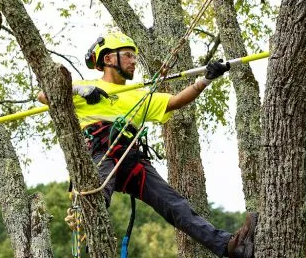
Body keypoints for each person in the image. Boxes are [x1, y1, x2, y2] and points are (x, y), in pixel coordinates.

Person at [38, 32, 257, 258]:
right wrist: (77, 89)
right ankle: (91, 239)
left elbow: (174, 101)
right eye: (128, 55)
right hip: (100, 152)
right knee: (96, 199)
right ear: (108, 59)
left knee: (175, 205)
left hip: (132, 159)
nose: (134, 61)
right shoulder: (87, 87)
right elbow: (44, 95)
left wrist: (206, 79)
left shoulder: (138, 95)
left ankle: (229, 246)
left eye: (134, 56)